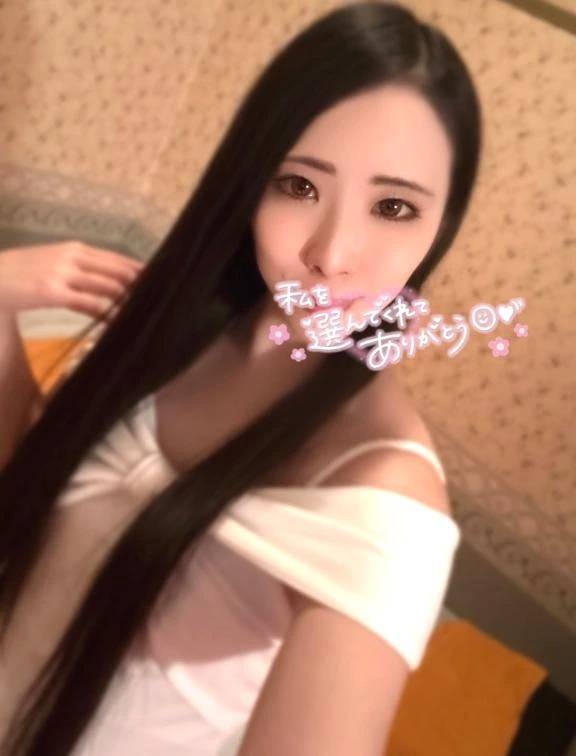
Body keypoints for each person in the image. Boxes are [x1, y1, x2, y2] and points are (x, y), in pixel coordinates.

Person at [0, 2, 482, 754]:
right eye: (299, 186)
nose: (332, 255)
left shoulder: (384, 502)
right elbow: (23, 493)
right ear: (249, 183)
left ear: (440, 226)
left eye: (393, 207)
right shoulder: (174, 329)